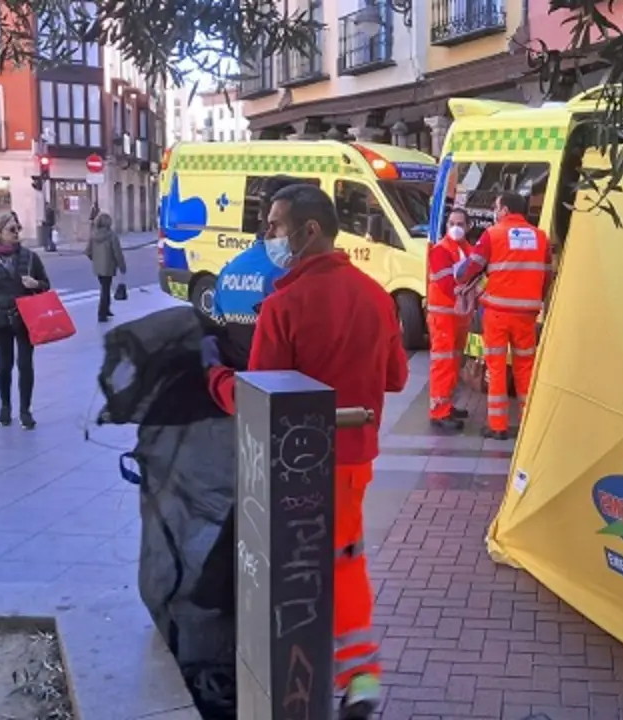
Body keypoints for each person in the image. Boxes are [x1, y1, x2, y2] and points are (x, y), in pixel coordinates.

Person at [203, 184, 408, 718]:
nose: (270, 235)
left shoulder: (283, 305)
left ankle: (322, 677)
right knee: (343, 557)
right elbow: (395, 376)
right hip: (354, 459)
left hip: (295, 469)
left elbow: (261, 399)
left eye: (275, 225)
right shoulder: (377, 297)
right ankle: (354, 675)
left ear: (309, 230)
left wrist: (217, 378)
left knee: (303, 567)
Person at [456, 191, 553, 440]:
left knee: (496, 367)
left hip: (498, 313)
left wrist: (460, 277)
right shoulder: (541, 238)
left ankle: (497, 425)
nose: (495, 212)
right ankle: (527, 424)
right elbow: (547, 276)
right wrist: (535, 299)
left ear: (506, 211)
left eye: (496, 207)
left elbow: (473, 267)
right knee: (525, 368)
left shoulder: (493, 234)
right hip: (527, 315)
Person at [0, 210, 52, 430]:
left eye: (18, 228)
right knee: (4, 364)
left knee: (25, 364)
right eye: (11, 229)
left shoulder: (29, 257)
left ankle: (26, 410)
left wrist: (36, 284)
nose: (17, 233)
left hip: (26, 318)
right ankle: (5, 407)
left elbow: (46, 284)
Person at [210, 176, 299, 367]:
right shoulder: (292, 273)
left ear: (261, 215)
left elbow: (218, 335)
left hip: (238, 387)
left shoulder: (230, 269)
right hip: (284, 388)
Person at [426, 208, 474, 432]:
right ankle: (438, 411)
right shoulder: (440, 250)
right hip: (443, 315)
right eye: (452, 222)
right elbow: (446, 285)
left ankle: (447, 403)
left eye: (460, 223)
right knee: (443, 363)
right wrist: (467, 291)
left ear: (468, 226)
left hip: (457, 316)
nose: (456, 227)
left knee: (454, 362)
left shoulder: (466, 249)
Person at [85, 212, 127, 323]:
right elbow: (117, 252)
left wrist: (95, 260)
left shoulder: (93, 235)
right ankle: (102, 313)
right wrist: (122, 266)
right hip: (109, 266)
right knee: (105, 290)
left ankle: (106, 310)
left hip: (98, 267)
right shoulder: (112, 236)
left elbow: (88, 251)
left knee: (105, 288)